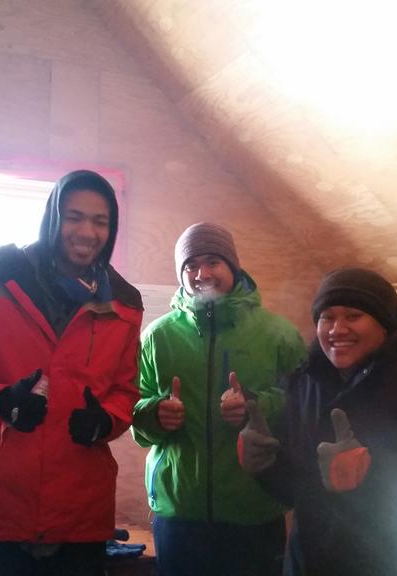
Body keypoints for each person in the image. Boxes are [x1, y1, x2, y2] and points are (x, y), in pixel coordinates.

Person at [0, 169, 143, 576]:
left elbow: (126, 391)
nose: (87, 231)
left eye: (100, 220)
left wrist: (104, 421)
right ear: (52, 216)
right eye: (74, 216)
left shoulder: (124, 303)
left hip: (79, 512)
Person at [237, 268, 397, 575]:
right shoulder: (306, 381)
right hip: (308, 562)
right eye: (327, 317)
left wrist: (365, 478)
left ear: (385, 324)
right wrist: (266, 466)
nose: (337, 329)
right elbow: (296, 491)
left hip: (389, 564)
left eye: (353, 316)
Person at [132, 222, 306, 576]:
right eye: (191, 266)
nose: (202, 273)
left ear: (233, 267)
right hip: (179, 510)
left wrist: (255, 407)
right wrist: (155, 414)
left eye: (213, 262)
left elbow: (303, 407)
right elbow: (135, 411)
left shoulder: (278, 334)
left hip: (254, 506)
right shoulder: (157, 336)